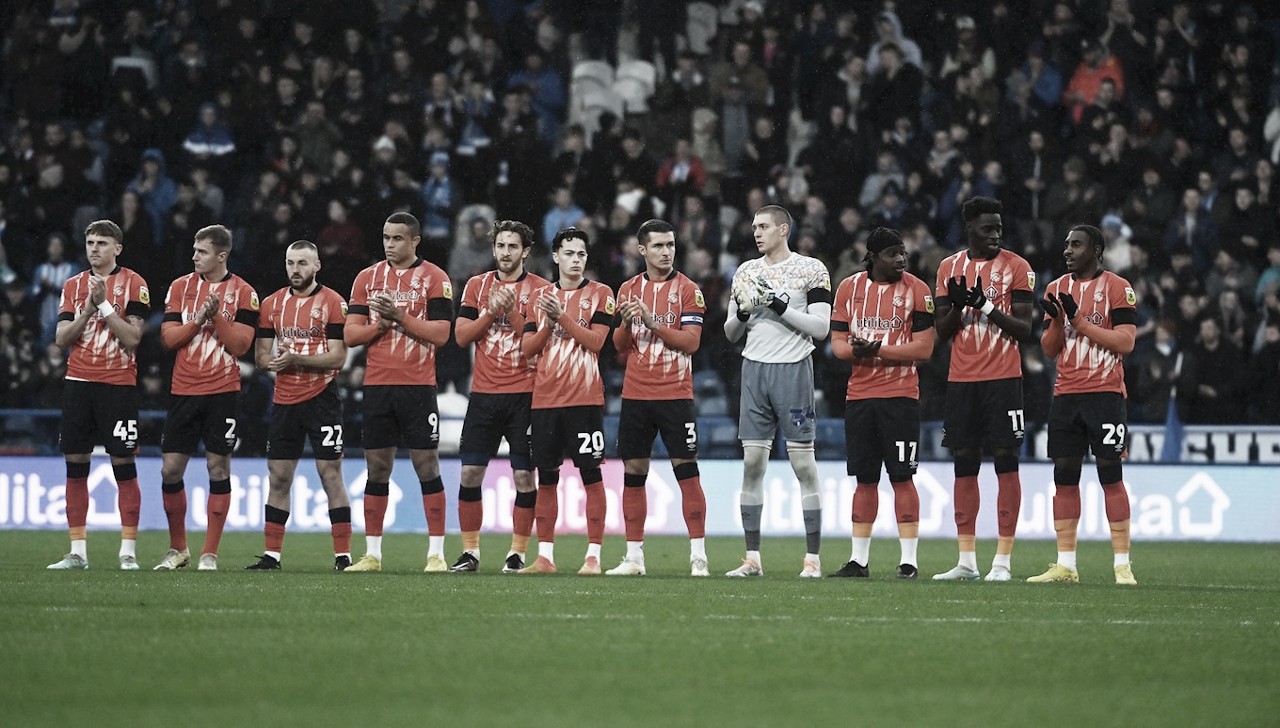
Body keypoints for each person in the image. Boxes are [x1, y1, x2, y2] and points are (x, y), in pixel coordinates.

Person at [723, 205, 832, 578]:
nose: (756, 232)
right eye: (754, 226)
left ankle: (812, 560)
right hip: (754, 371)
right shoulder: (746, 271)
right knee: (752, 465)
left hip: (794, 371)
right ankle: (752, 559)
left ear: (783, 229)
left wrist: (778, 305)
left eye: (764, 226)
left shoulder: (811, 269)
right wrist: (741, 312)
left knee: (803, 465)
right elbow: (729, 332)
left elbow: (820, 329)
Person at [343, 212, 454, 572]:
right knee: (377, 467)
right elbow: (350, 335)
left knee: (426, 465)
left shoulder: (435, 278)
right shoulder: (367, 279)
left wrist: (400, 318)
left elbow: (441, 334)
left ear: (415, 241)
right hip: (377, 385)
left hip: (418, 386)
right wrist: (381, 324)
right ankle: (372, 554)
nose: (390, 245)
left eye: (397, 239)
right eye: (386, 238)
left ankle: (436, 554)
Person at [932, 196, 1034, 582]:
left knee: (1006, 460)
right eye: (988, 228)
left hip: (1004, 378)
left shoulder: (1018, 268)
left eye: (999, 229)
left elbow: (1026, 331)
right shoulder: (948, 268)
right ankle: (967, 561)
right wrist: (959, 307)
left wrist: (986, 306)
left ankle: (1003, 562)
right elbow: (940, 334)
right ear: (969, 227)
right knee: (964, 465)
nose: (995, 235)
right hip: (962, 380)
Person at [1030, 224, 1138, 585]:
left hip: (1105, 393)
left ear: (1096, 249)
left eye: (1076, 244)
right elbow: (1048, 349)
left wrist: (1078, 320)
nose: (1068, 250)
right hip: (1065, 394)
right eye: (1066, 244)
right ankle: (1066, 565)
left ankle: (1122, 565)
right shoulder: (1055, 288)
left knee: (1110, 475)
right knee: (1064, 478)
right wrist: (1059, 321)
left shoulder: (1118, 288)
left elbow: (1125, 343)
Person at [828, 227, 936, 579]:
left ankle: (909, 562)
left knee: (903, 477)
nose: (901, 259)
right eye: (893, 253)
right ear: (873, 257)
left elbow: (924, 349)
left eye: (902, 252)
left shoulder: (918, 290)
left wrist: (878, 350)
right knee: (865, 479)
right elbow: (838, 345)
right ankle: (859, 561)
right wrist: (856, 350)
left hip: (901, 398)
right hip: (859, 398)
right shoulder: (848, 288)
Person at [606, 219, 709, 577]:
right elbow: (619, 348)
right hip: (636, 395)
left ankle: (698, 556)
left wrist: (653, 324)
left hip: (675, 395)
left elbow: (691, 343)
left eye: (670, 245)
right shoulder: (627, 289)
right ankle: (634, 557)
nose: (666, 251)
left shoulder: (688, 290)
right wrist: (623, 323)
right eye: (659, 246)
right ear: (642, 251)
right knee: (633, 472)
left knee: (687, 471)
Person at [153, 224, 259, 571]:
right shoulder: (180, 288)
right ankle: (178, 548)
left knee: (218, 466)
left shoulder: (244, 292)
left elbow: (241, 346)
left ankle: (209, 553)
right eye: (195, 250)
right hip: (184, 389)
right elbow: (169, 339)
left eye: (202, 251)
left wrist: (217, 318)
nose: (194, 256)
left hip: (222, 392)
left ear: (221, 255)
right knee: (170, 470)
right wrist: (200, 319)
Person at [47, 220, 150, 570]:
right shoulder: (73, 285)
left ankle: (128, 553)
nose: (94, 248)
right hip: (78, 383)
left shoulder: (135, 284)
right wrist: (88, 310)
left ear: (117, 248)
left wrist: (104, 306)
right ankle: (78, 552)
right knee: (75, 467)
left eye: (102, 243)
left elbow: (133, 338)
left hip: (118, 385)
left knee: (123, 465)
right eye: (90, 242)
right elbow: (61, 339)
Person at [244, 241, 353, 571]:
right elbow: (260, 355)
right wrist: (272, 362)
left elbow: (339, 357)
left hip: (323, 397)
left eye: (303, 263)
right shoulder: (271, 304)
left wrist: (297, 358)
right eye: (291, 262)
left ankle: (343, 556)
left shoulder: (334, 302)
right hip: (284, 400)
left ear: (317, 265)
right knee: (278, 477)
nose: (295, 269)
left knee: (330, 474)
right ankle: (272, 555)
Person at [448, 220, 549, 573]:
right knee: (470, 474)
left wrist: (510, 312)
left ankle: (517, 553)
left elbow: (536, 344)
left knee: (524, 477)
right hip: (484, 394)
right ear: (494, 249)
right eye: (500, 246)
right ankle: (470, 553)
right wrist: (492, 311)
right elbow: (461, 337)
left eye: (512, 246)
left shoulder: (540, 290)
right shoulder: (477, 286)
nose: (505, 252)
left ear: (525, 251)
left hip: (525, 395)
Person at [517, 227, 616, 575]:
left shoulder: (602, 294)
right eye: (569, 253)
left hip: (584, 399)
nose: (576, 260)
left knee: (591, 475)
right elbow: (527, 349)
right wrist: (549, 322)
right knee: (547, 477)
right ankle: (545, 556)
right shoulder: (538, 298)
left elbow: (596, 342)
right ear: (556, 256)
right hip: (545, 400)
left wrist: (562, 317)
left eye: (581, 254)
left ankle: (593, 557)